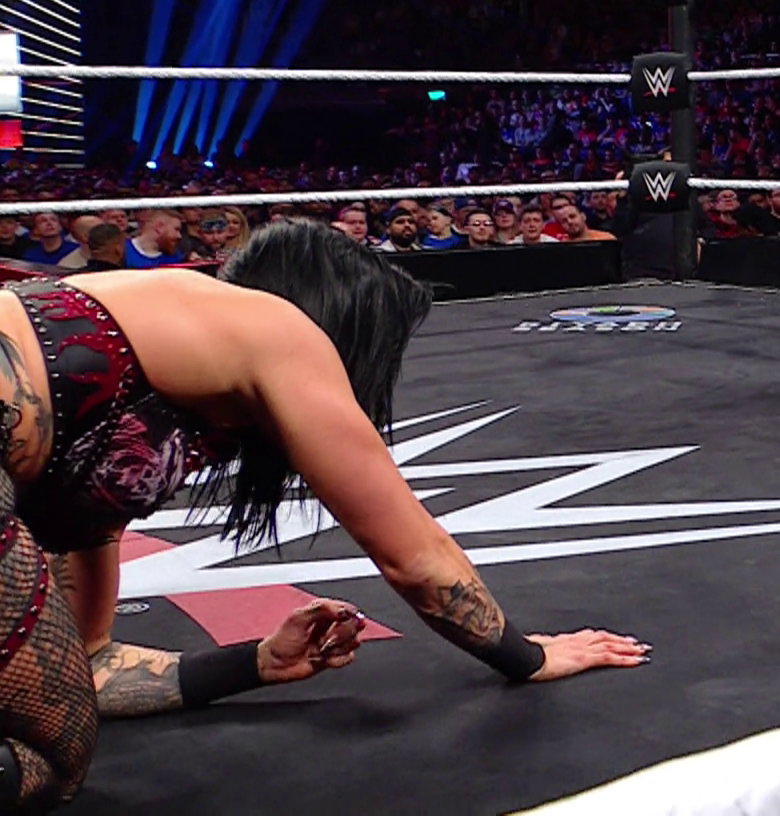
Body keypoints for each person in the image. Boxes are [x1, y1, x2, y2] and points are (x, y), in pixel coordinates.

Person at [0, 220, 647, 808]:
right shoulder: (275, 328)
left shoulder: (97, 445)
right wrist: (529, 658)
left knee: (50, 721)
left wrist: (256, 663)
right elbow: (416, 559)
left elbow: (90, 669)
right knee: (53, 756)